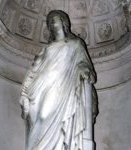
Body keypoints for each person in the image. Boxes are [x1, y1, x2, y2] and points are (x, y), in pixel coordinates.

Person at [20, 10, 97, 150]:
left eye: (55, 20)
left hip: (62, 87)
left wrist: (83, 70)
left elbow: (85, 64)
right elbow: (34, 70)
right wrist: (25, 93)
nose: (52, 23)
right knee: (37, 118)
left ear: (63, 22)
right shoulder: (47, 48)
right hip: (41, 87)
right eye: (50, 22)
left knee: (44, 115)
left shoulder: (75, 44)